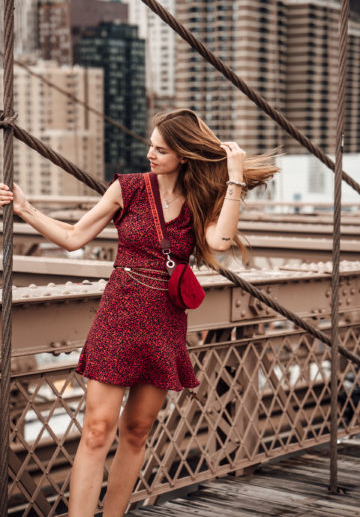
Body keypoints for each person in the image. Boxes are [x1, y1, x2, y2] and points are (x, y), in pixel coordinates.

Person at [0, 108, 278, 516]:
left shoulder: (201, 199)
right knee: (96, 432)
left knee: (136, 431)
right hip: (119, 314)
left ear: (183, 155)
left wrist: (234, 177)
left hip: (165, 321)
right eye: (149, 144)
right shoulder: (127, 188)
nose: (149, 153)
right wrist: (26, 209)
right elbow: (75, 237)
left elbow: (220, 242)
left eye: (160, 149)